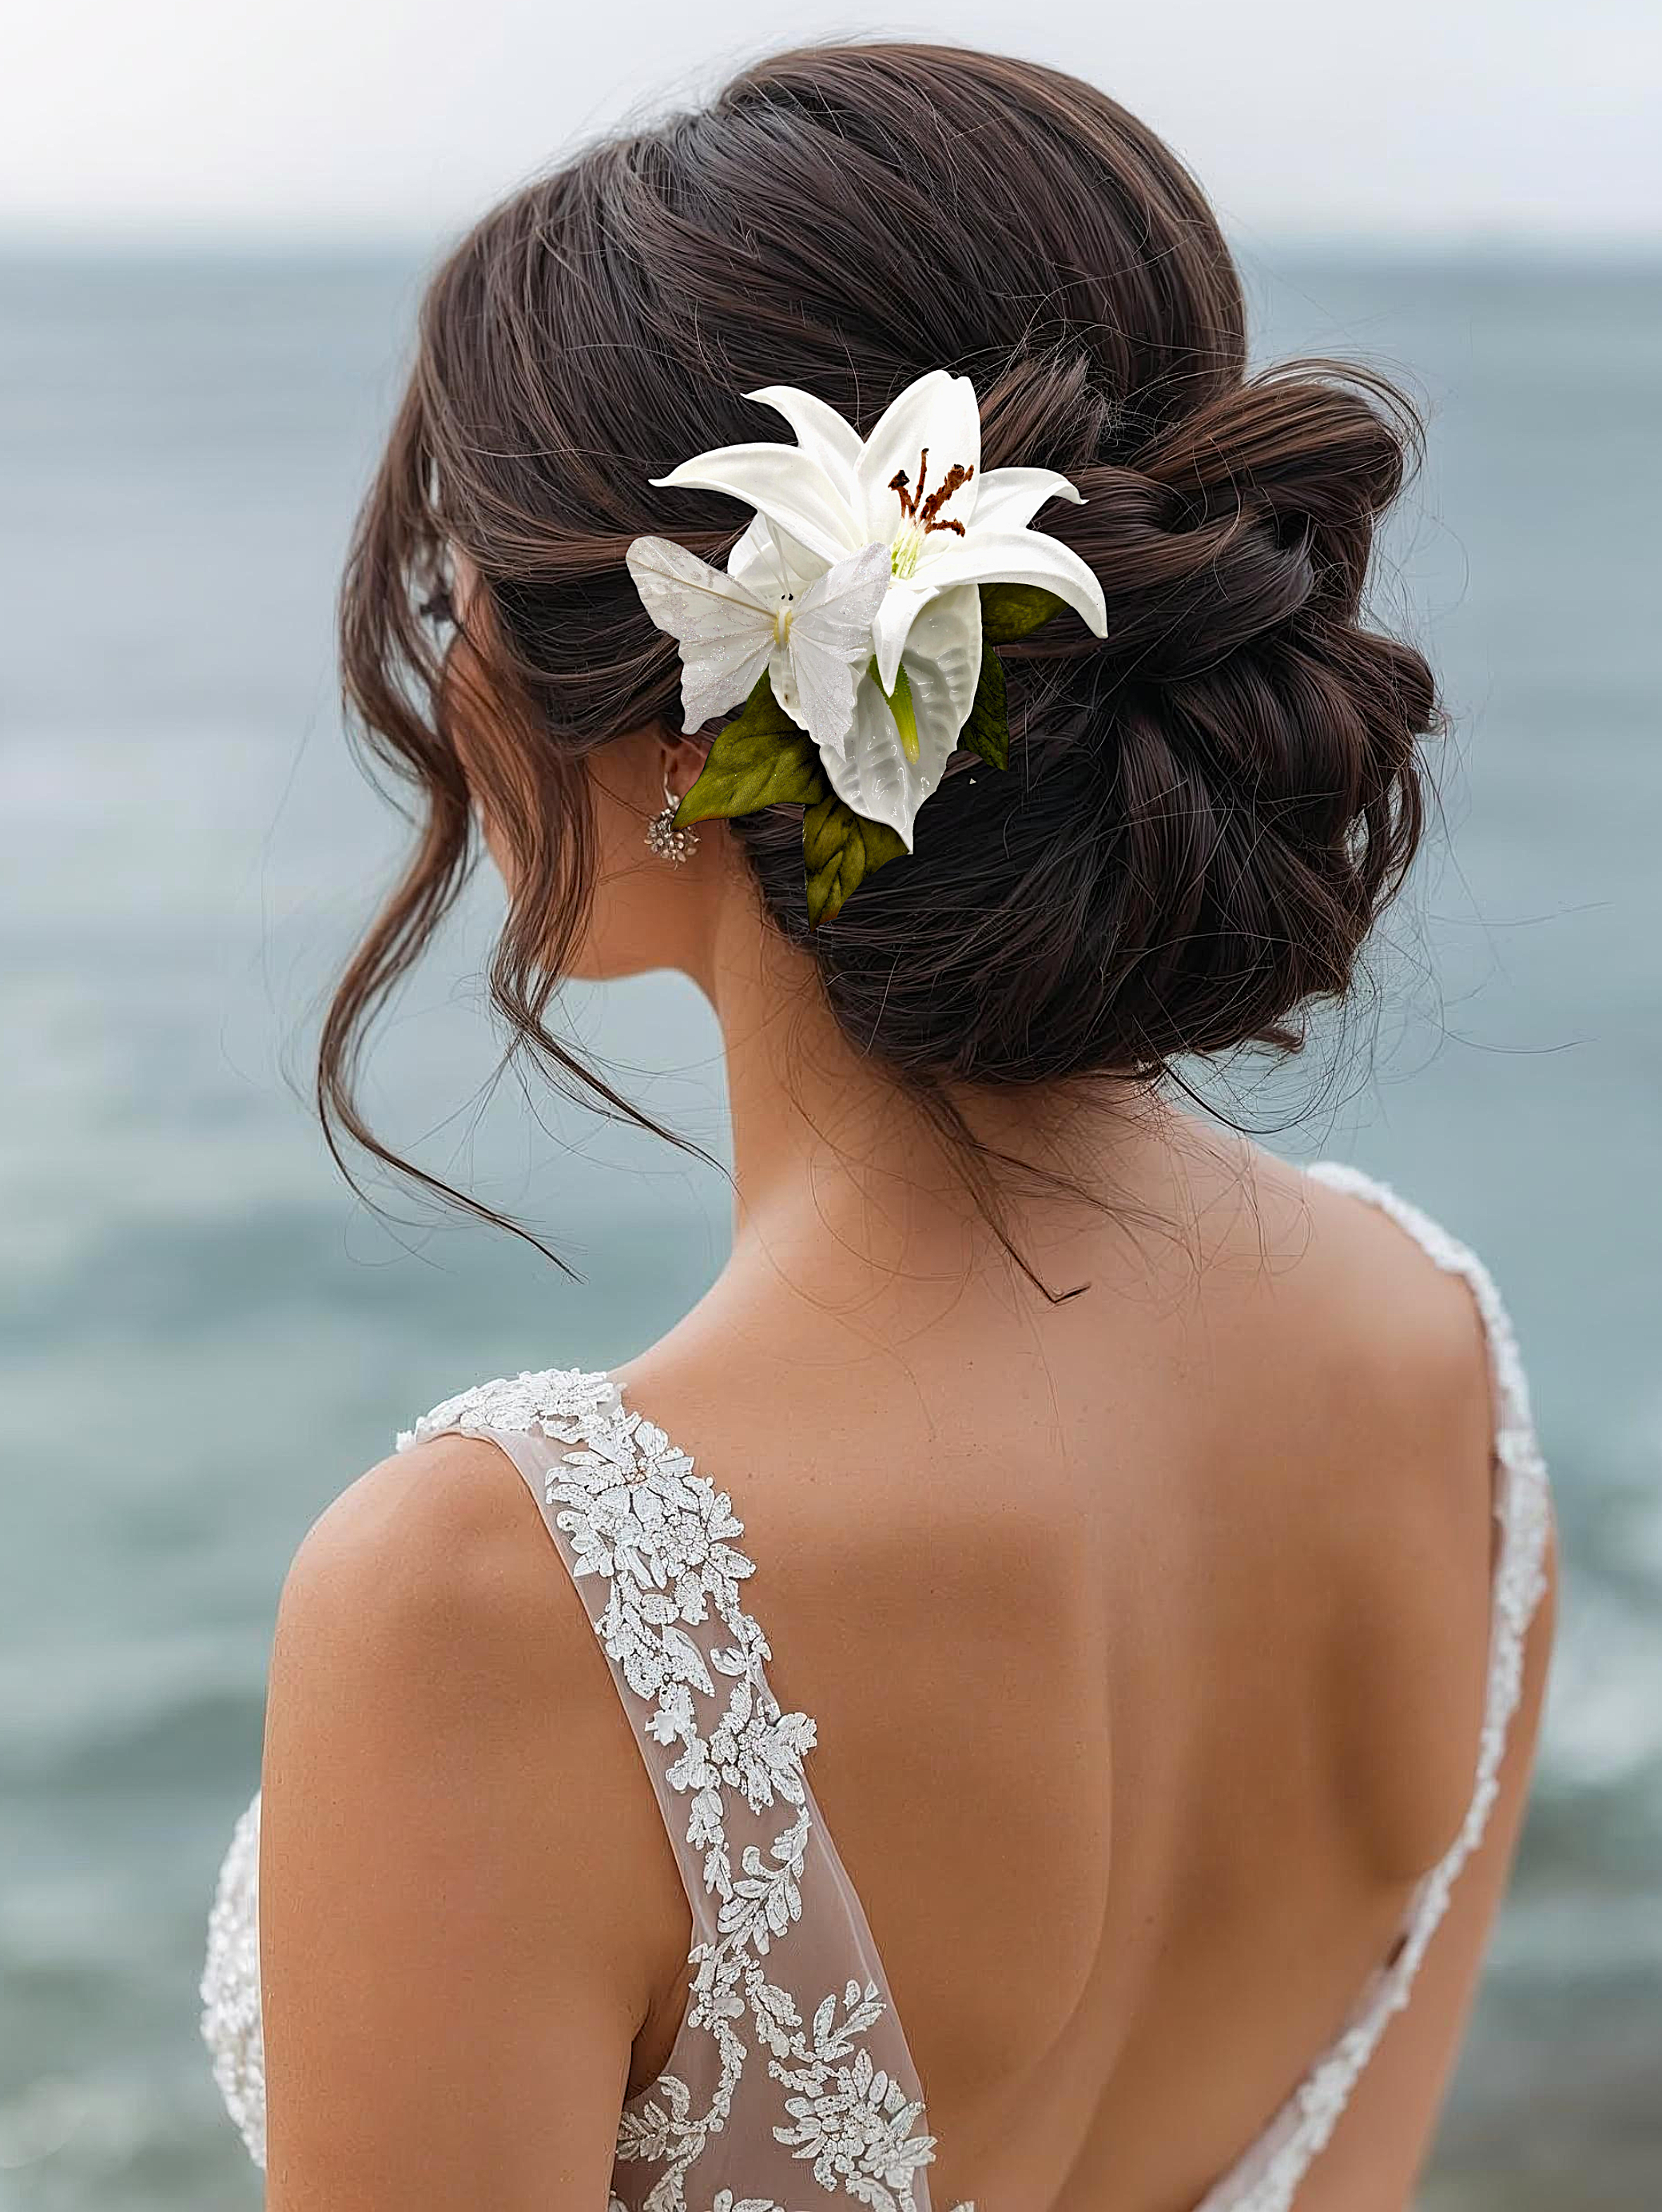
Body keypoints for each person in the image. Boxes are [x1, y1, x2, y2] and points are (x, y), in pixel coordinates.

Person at [200, 39, 1557, 2212]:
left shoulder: (489, 1605)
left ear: (680, 712)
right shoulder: (1448, 1376)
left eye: (470, 573)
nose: (453, 665)